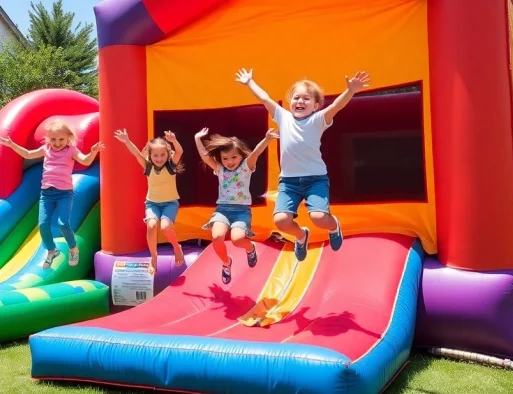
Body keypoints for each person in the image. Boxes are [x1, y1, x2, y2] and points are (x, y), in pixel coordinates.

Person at [235, 68, 370, 261]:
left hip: (315, 179)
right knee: (281, 221)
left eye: (306, 99)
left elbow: (336, 107)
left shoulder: (318, 120)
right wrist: (249, 82)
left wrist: (350, 91)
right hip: (288, 182)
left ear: (316, 106)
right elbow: (265, 99)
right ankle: (301, 236)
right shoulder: (283, 117)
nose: (300, 102)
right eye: (296, 98)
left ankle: (334, 226)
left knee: (319, 218)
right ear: (290, 102)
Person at [0, 119, 103, 269]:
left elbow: (85, 161)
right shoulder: (46, 148)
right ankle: (52, 250)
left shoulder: (71, 150)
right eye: (53, 139)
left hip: (64, 193)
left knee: (63, 224)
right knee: (42, 224)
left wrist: (93, 151)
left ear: (68, 138)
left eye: (61, 139)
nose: (57, 142)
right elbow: (28, 154)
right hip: (46, 193)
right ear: (49, 138)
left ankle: (73, 248)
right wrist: (12, 145)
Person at [195, 127, 279, 284]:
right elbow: (206, 158)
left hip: (241, 211)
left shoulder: (246, 168)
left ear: (241, 155)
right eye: (225, 158)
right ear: (220, 159)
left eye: (234, 157)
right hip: (223, 210)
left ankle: (250, 248)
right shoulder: (220, 169)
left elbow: (255, 153)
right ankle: (226, 263)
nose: (230, 161)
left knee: (238, 239)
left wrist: (267, 139)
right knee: (217, 237)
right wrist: (197, 139)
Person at [114, 128, 186, 275]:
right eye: (155, 156)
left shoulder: (170, 166)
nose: (159, 158)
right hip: (152, 203)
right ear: (150, 156)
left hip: (170, 203)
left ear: (167, 154)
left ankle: (176, 247)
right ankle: (153, 256)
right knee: (151, 225)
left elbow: (179, 152)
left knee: (165, 227)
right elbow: (136, 153)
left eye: (162, 155)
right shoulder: (148, 166)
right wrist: (127, 140)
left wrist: (173, 141)